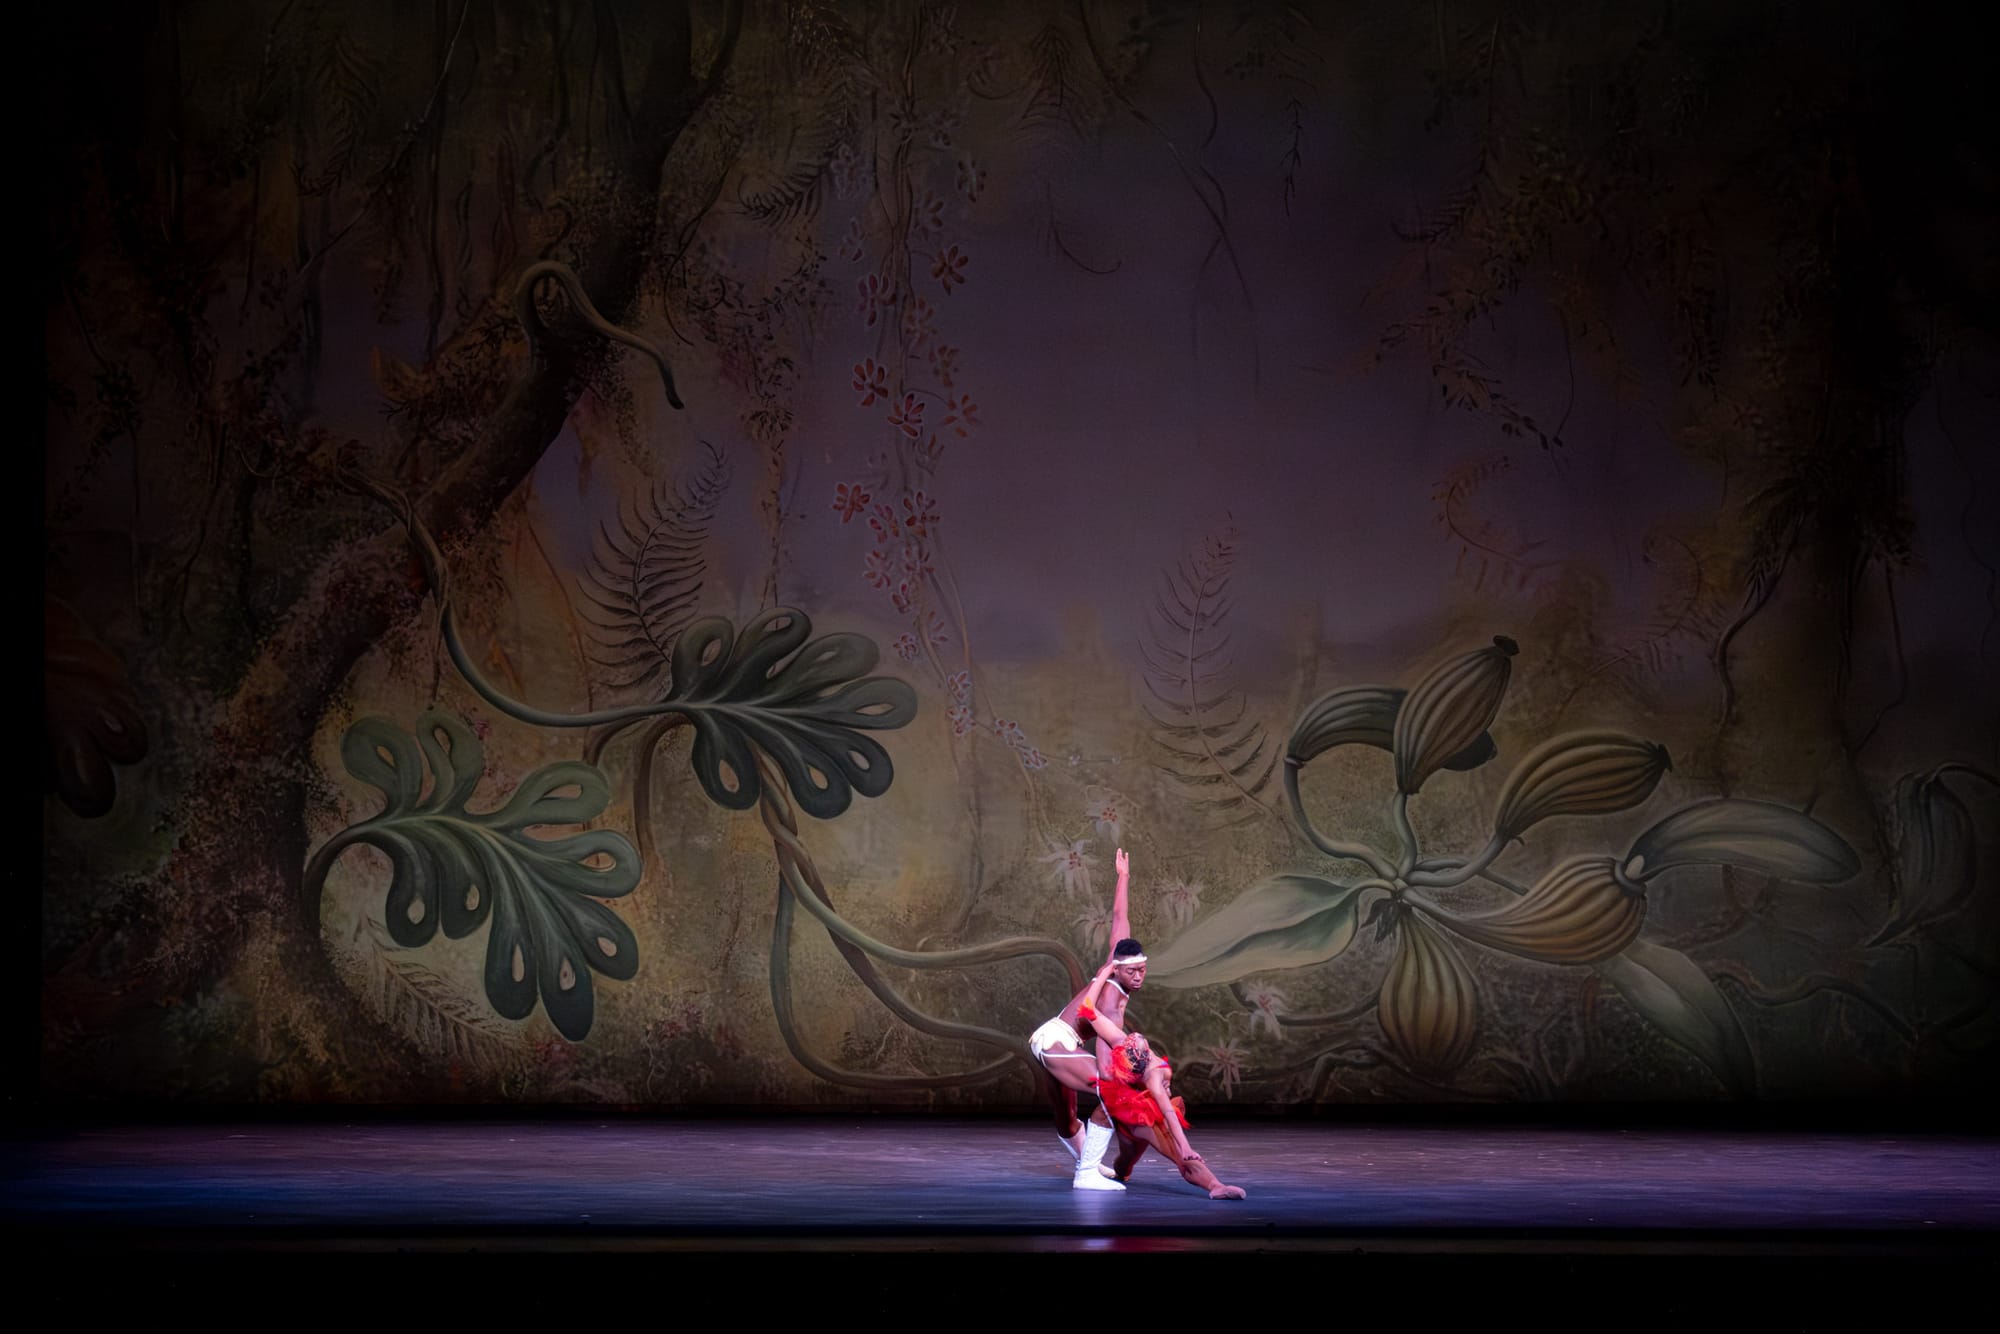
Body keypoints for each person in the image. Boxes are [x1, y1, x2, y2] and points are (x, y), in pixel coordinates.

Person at [1072, 963, 1248, 1200]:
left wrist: (1185, 1146)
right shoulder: (1119, 1040)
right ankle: (1120, 1173)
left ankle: (1215, 1185)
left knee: (1175, 1153)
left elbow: (1167, 1110)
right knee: (1125, 1163)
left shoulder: (1153, 1075)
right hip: (1121, 1110)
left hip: (1143, 1117)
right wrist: (1106, 972)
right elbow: (1087, 1009)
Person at [1027, 847, 1147, 1191]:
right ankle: (1087, 1173)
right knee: (1113, 1091)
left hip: (1052, 1040)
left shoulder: (1116, 961)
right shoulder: (1109, 1001)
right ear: (1121, 972)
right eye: (1134, 972)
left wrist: (1123, 876)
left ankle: (1086, 1163)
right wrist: (1123, 1083)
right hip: (1057, 1042)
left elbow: (1119, 919)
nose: (1139, 977)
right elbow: (1108, 1061)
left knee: (1066, 1119)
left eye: (1143, 970)